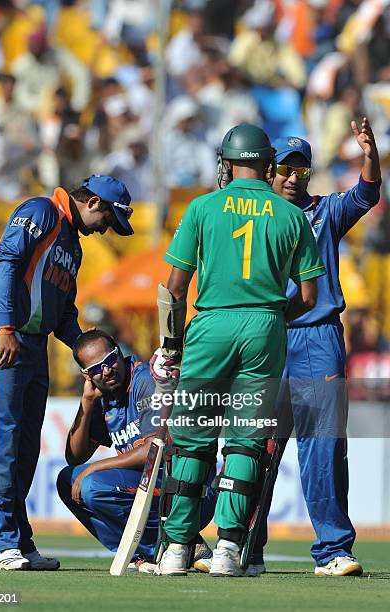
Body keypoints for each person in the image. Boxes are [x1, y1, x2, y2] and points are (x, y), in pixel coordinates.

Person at [153, 123, 325, 577]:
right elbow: (309, 297)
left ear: (227, 163)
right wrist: (269, 320)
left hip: (210, 326)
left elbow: (173, 288)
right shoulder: (291, 216)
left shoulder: (202, 207)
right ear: (269, 166)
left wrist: (171, 344)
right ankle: (228, 548)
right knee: (247, 441)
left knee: (191, 439)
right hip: (265, 327)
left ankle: (177, 547)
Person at [0, 175, 134, 571]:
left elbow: (64, 317)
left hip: (34, 344)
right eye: (108, 219)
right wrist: (7, 328)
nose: (105, 229)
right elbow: (6, 262)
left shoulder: (71, 248)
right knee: (0, 442)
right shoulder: (41, 211)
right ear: (93, 202)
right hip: (2, 334)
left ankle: (20, 542)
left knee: (25, 449)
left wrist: (95, 360)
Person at [249, 118, 381, 577]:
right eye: (285, 169)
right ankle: (246, 547)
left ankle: (333, 550)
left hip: (318, 337)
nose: (292, 177)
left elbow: (366, 194)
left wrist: (369, 154)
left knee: (322, 447)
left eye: (300, 170)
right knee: (258, 447)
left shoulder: (325, 211)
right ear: (269, 172)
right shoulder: (254, 216)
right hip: (266, 338)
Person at [56, 329, 216, 573]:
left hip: (186, 492)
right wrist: (87, 405)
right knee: (67, 480)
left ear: (119, 353)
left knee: (92, 485)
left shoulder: (144, 381)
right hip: (149, 488)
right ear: (86, 376)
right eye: (96, 369)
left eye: (109, 360)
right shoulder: (102, 396)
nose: (107, 371)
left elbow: (154, 451)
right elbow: (75, 457)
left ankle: (178, 541)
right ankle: (147, 553)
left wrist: (97, 466)